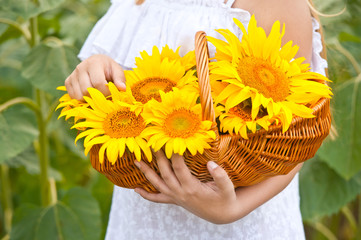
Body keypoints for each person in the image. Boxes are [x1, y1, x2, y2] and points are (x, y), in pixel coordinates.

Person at [65, 0, 328, 239]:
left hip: (241, 223)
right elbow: (127, 92)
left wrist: (233, 209)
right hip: (141, 216)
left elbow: (296, 136)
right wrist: (98, 72)